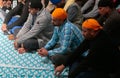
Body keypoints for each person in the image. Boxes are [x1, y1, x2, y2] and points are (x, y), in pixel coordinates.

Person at [54, 19, 120, 78]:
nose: (82, 33)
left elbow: (86, 63)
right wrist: (63, 65)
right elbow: (79, 50)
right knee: (73, 62)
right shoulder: (92, 36)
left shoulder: (99, 44)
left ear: (93, 32)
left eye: (84, 31)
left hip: (107, 70)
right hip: (95, 63)